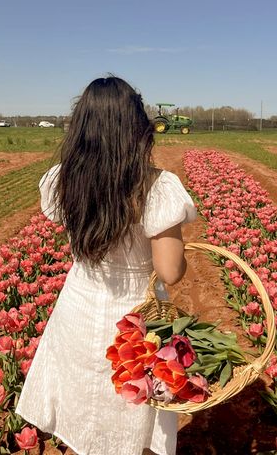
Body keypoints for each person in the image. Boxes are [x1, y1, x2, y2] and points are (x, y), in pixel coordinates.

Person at [16, 76, 197, 455]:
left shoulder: (63, 180)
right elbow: (170, 272)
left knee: (82, 402)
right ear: (137, 127)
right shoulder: (156, 188)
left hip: (78, 310)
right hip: (134, 323)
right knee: (129, 408)